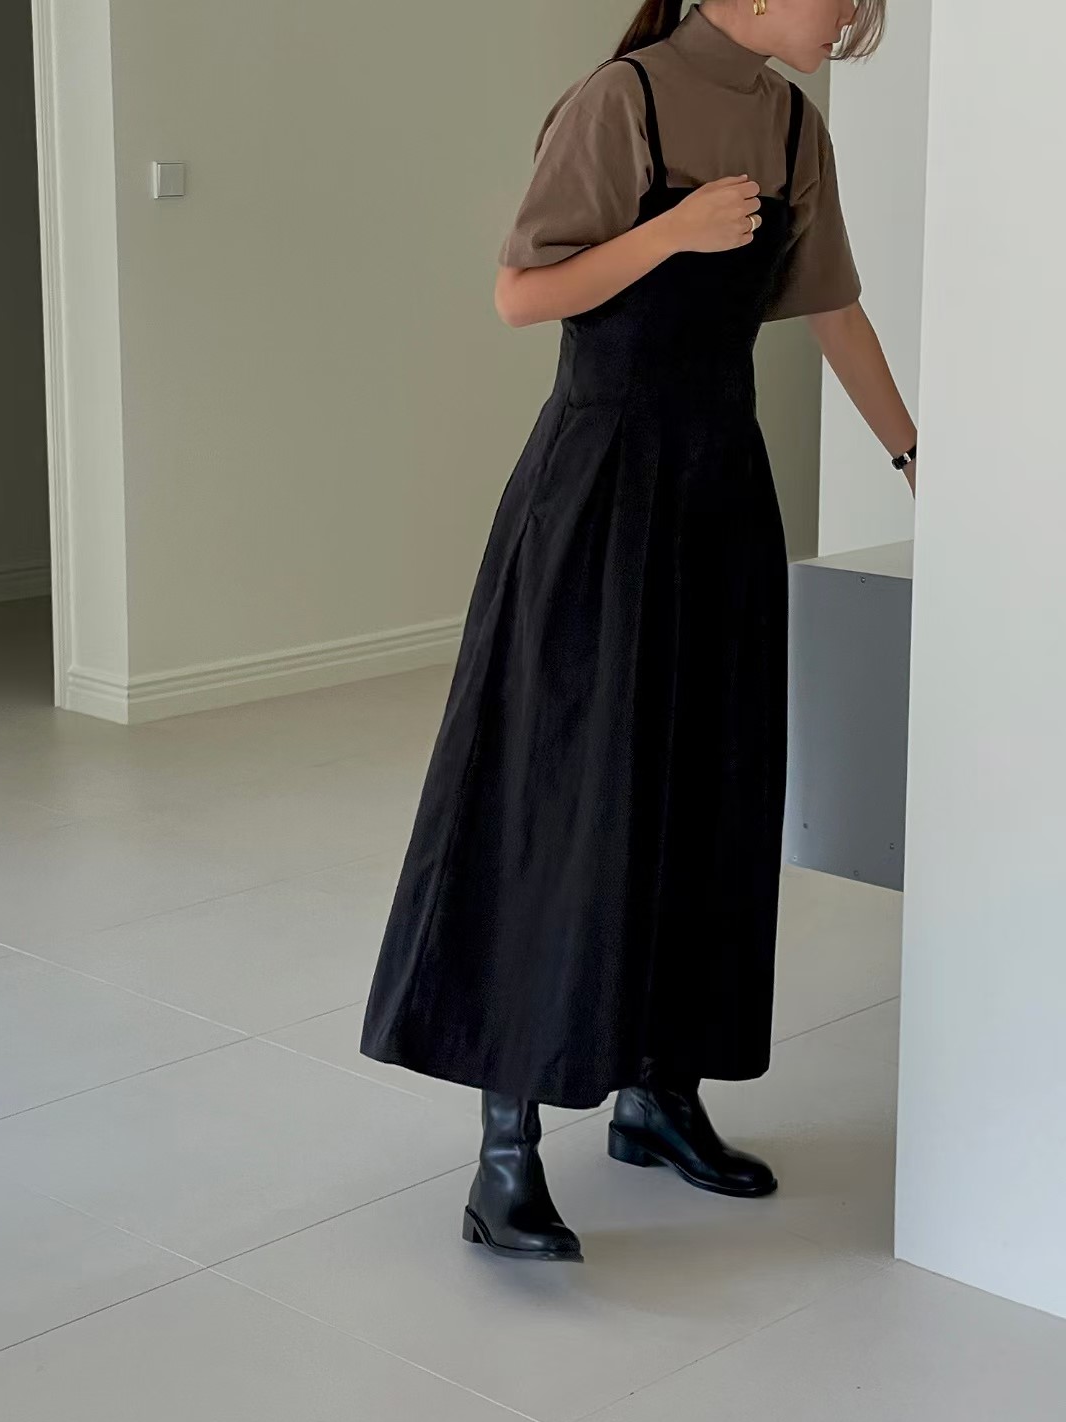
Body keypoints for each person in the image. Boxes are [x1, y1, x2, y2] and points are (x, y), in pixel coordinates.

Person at [360, 0, 915, 1263]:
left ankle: (659, 1098)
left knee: (709, 790)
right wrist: (672, 230)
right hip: (599, 492)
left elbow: (834, 308)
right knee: (561, 794)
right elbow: (520, 294)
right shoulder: (626, 101)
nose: (854, 9)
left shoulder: (793, 127)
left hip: (721, 493)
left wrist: (914, 454)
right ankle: (506, 1150)